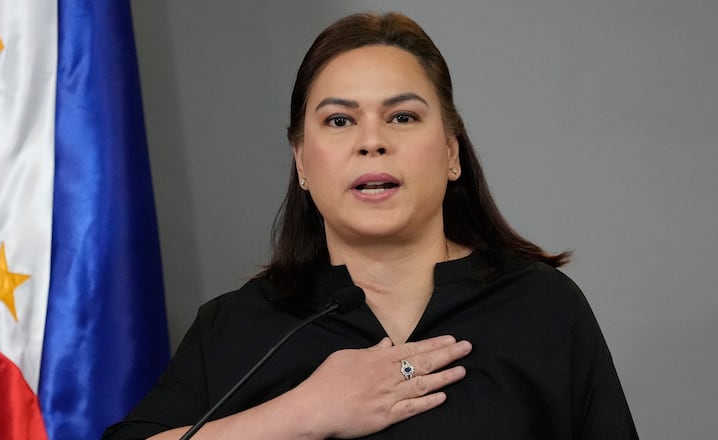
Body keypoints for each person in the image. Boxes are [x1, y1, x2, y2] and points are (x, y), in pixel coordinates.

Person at [103, 12, 638, 440]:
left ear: (451, 151)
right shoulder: (237, 325)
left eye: (402, 116)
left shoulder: (544, 307)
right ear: (303, 162)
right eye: (339, 120)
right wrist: (301, 414)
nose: (371, 140)